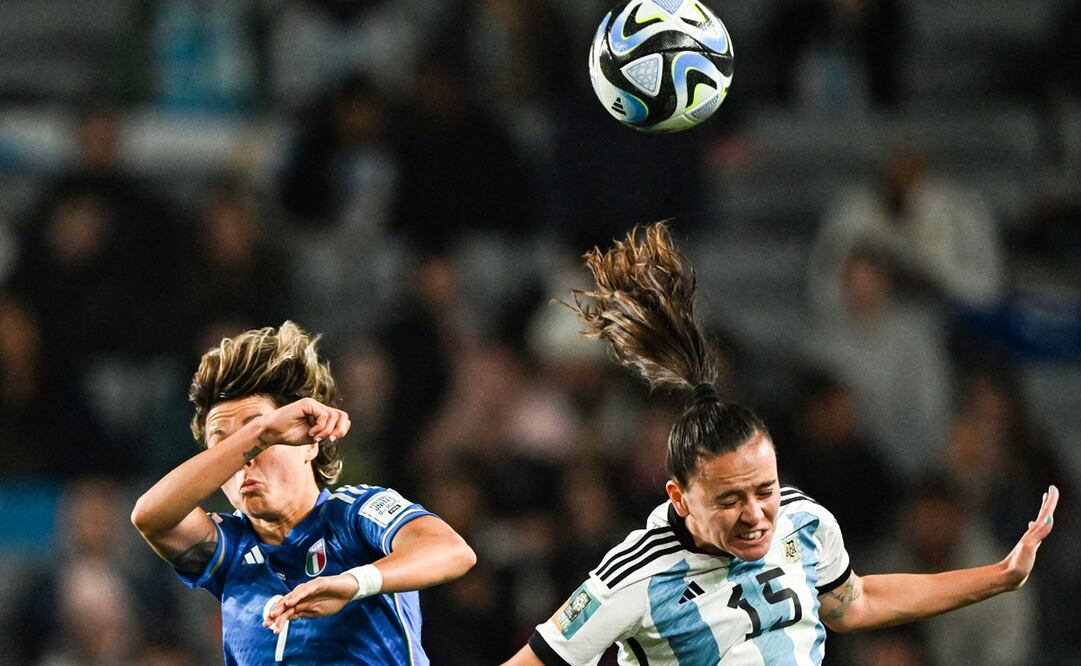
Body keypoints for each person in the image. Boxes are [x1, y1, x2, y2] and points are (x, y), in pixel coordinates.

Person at [502, 222, 1059, 666]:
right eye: (729, 500)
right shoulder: (634, 577)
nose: (755, 515)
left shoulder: (805, 521)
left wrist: (998, 576)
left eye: (763, 489)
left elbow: (854, 603)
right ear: (679, 497)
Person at [131, 322, 476, 664]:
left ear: (309, 444)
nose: (244, 461)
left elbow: (450, 550)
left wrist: (355, 582)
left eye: (258, 435)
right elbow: (150, 516)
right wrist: (262, 432)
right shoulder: (231, 550)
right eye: (226, 446)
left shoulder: (353, 513)